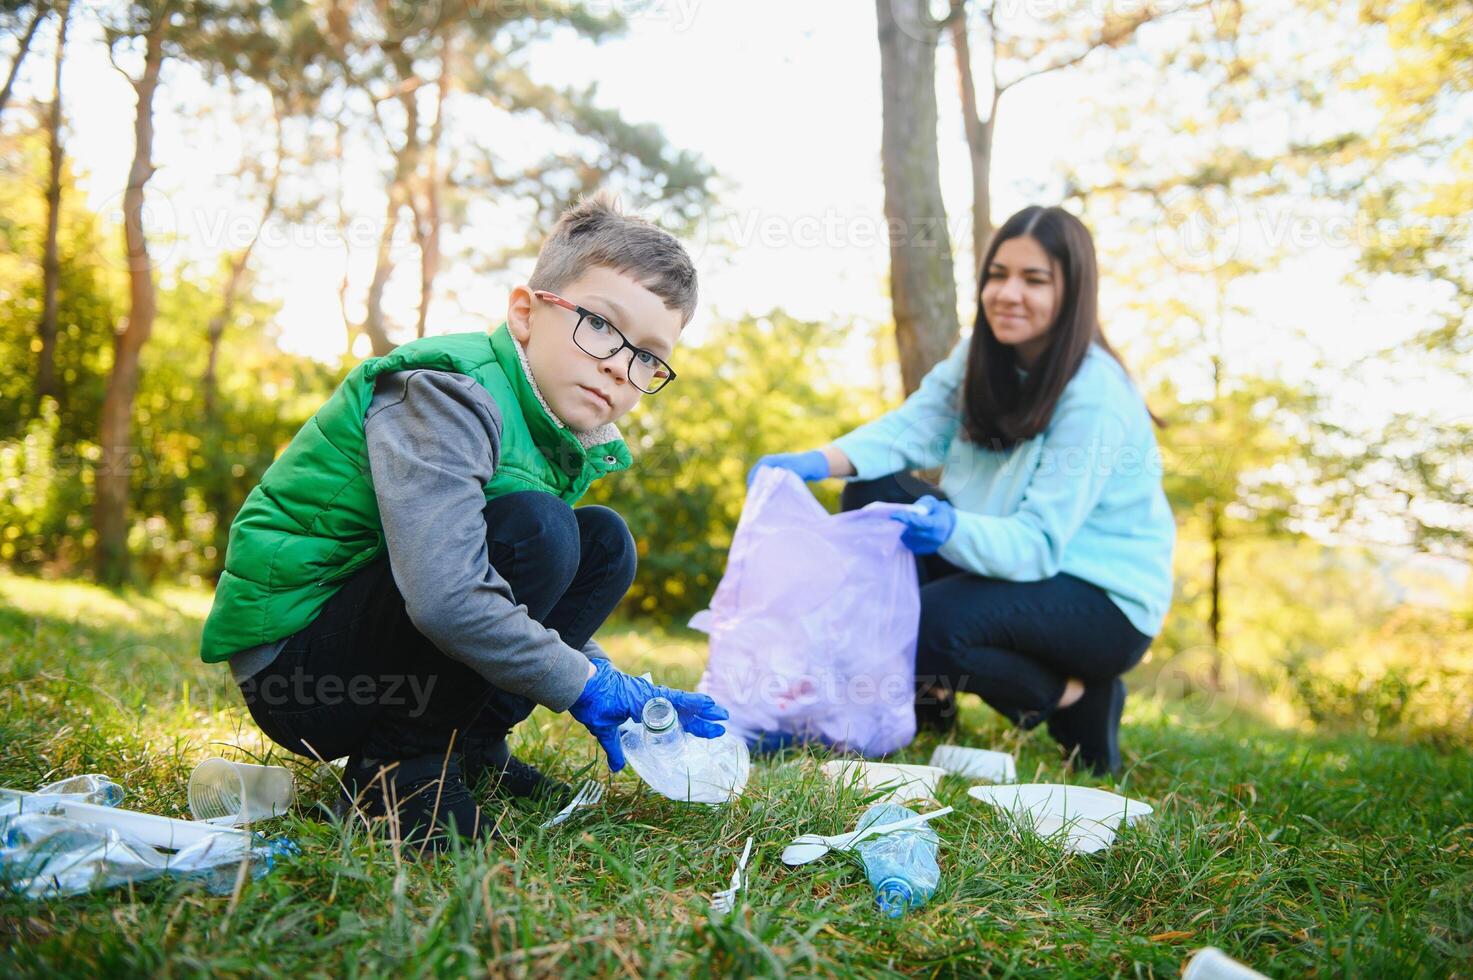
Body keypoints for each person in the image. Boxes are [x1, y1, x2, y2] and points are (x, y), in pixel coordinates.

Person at [199, 194, 728, 848]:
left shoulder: (546, 429)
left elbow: (514, 594)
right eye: (600, 325)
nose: (621, 366)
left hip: (377, 637)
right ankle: (397, 773)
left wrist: (618, 685)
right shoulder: (447, 391)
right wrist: (582, 686)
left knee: (602, 544)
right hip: (302, 672)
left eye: (648, 356)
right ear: (525, 312)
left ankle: (469, 745)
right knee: (543, 529)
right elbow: (448, 594)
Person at [749, 205, 1175, 776]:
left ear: (1073, 292)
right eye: (998, 274)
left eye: (1034, 279)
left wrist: (952, 530)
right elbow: (910, 429)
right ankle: (926, 705)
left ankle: (1077, 698)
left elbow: (1039, 543)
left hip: (1101, 597)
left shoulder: (1095, 395)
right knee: (872, 489)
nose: (1008, 293)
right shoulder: (982, 354)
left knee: (925, 625)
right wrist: (815, 462)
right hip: (1012, 558)